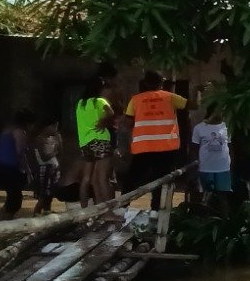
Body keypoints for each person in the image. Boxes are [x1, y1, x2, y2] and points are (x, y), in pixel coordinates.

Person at [124, 70, 190, 211]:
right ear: (162, 83)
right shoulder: (170, 97)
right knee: (161, 180)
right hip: (166, 148)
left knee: (132, 179)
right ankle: (156, 211)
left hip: (143, 147)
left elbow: (128, 122)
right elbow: (193, 105)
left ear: (146, 83)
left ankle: (122, 207)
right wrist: (198, 91)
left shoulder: (135, 100)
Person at [74, 75, 117, 207]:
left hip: (85, 143)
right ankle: (107, 211)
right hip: (100, 141)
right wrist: (103, 122)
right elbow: (111, 114)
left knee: (87, 178)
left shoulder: (80, 103)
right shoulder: (99, 101)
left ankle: (85, 209)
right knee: (102, 178)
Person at [0, 110, 34, 218]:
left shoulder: (6, 130)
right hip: (11, 168)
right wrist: (27, 170)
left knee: (11, 197)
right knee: (15, 199)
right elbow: (20, 152)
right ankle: (6, 222)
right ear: (27, 123)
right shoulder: (19, 132)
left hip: (2, 166)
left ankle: (1, 220)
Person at [191, 108, 232, 200]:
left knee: (223, 197)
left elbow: (230, 147)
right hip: (205, 168)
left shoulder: (227, 127)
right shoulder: (199, 128)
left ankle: (223, 215)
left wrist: (231, 164)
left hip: (223, 168)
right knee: (206, 195)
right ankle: (205, 214)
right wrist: (195, 166)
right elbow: (194, 148)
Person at [30, 120, 62, 216]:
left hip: (53, 168)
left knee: (50, 194)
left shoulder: (53, 138)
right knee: (44, 195)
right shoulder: (39, 139)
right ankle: (36, 213)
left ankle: (46, 213)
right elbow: (44, 157)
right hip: (44, 168)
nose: (55, 129)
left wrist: (59, 139)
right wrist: (55, 151)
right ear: (47, 127)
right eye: (54, 127)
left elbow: (62, 152)